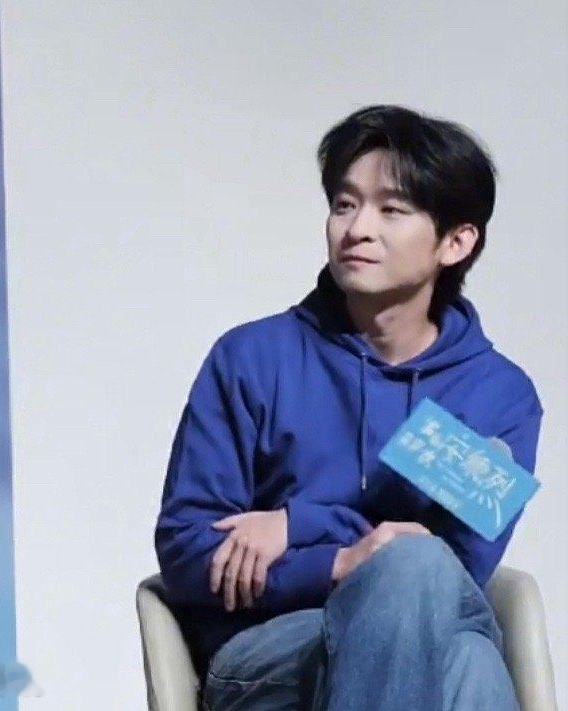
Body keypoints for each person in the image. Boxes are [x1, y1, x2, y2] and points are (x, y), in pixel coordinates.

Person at [154, 105, 542, 710]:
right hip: (272, 654)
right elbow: (187, 550)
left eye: (392, 210)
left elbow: (458, 567)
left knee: (440, 615)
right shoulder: (252, 358)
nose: (357, 228)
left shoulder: (497, 394)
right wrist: (337, 562)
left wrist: (296, 526)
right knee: (462, 657)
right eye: (344, 204)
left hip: (429, 631)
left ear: (456, 241)